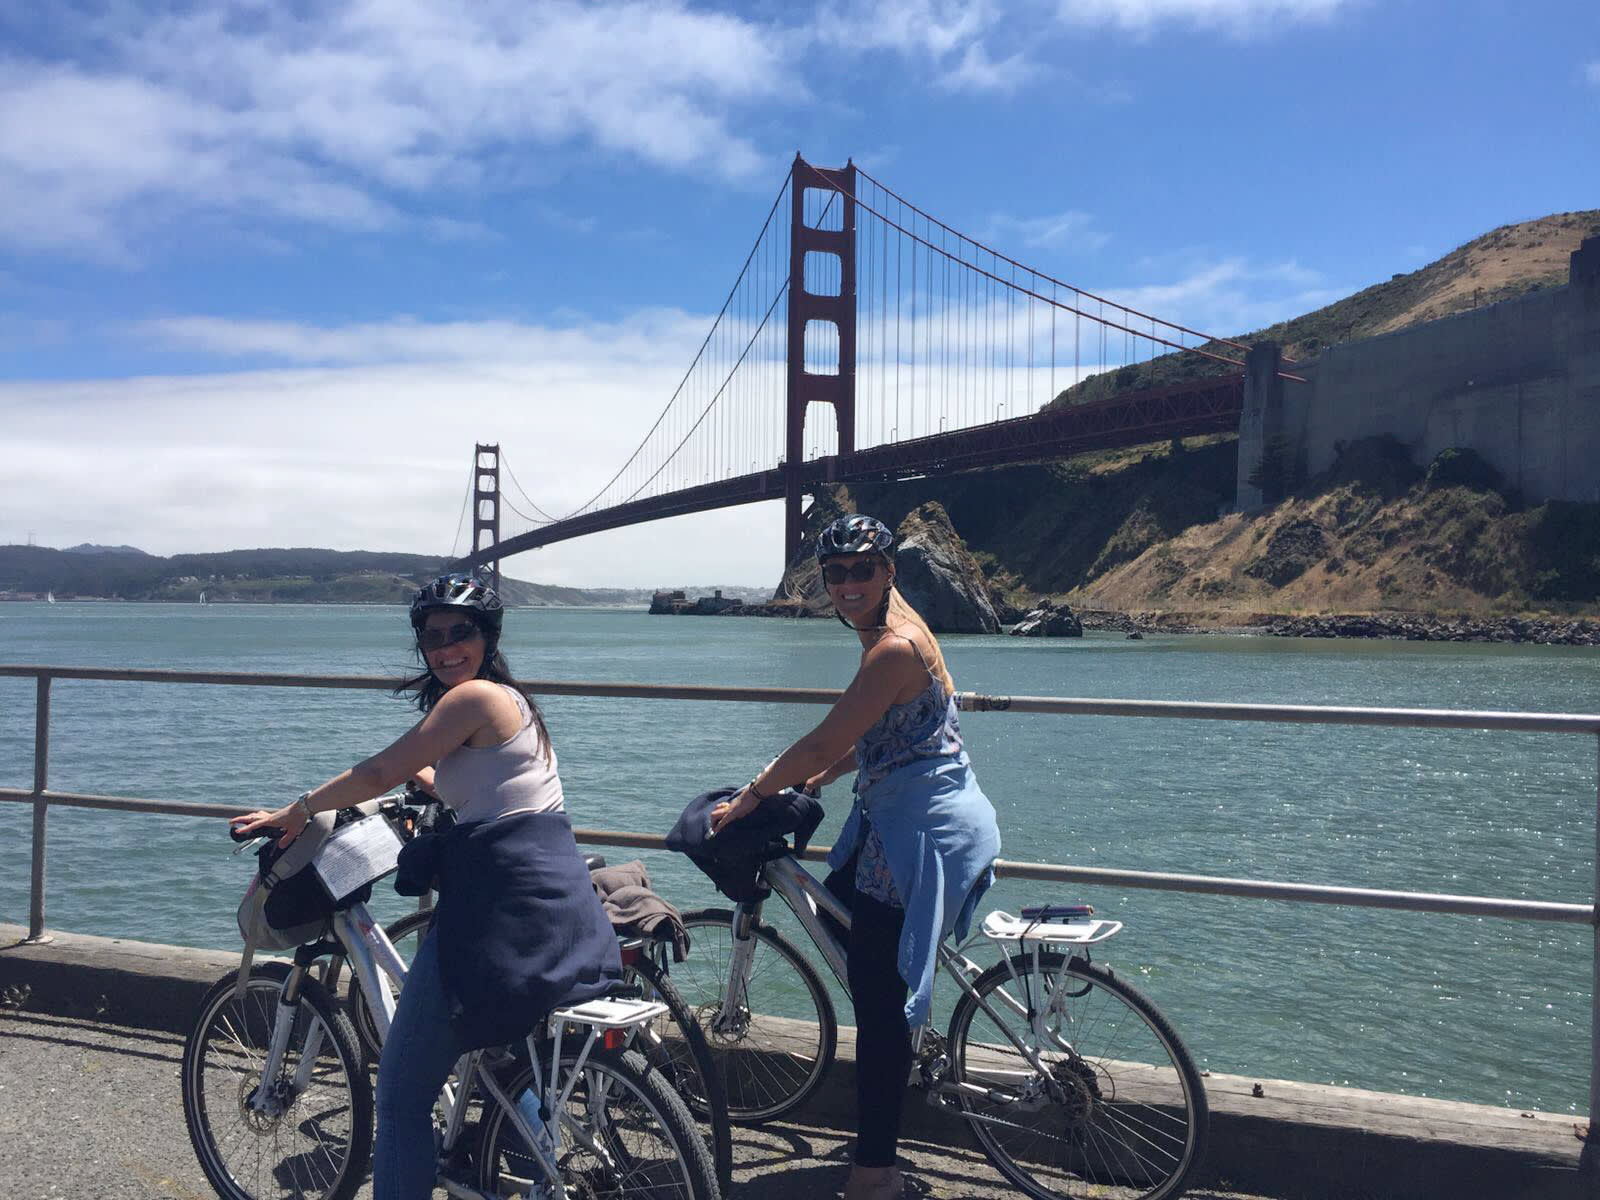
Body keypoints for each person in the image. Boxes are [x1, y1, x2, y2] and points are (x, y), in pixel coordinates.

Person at [230, 573, 620, 1200]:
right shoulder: (512, 704)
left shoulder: (472, 700)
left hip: (498, 911)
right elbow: (496, 789)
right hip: (555, 900)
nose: (445, 648)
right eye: (432, 637)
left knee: (402, 1097)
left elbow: (384, 766)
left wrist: (297, 809)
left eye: (459, 633)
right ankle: (519, 1163)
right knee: (500, 1048)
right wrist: (436, 785)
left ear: (487, 635)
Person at [711, 514, 1001, 1200]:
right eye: (834, 573)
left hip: (919, 835)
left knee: (875, 1010)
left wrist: (757, 793)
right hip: (909, 816)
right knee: (841, 911)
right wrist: (825, 776)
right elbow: (881, 734)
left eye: (861, 570)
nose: (847, 583)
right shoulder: (895, 629)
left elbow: (817, 741)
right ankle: (900, 1015)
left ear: (887, 572)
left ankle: (876, 1175)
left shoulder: (891, 648)